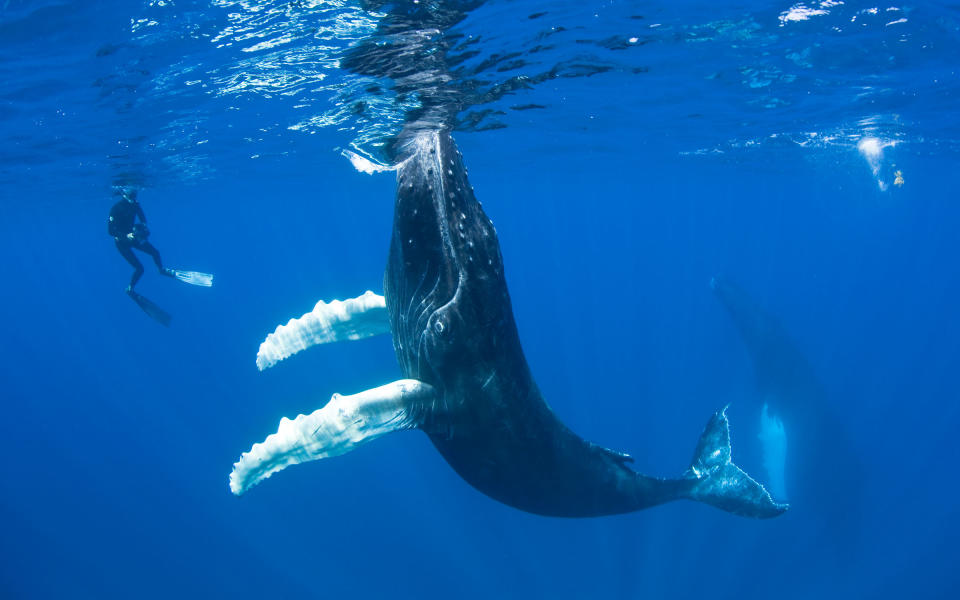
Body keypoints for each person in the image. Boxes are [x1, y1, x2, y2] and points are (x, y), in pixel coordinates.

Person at [108, 188, 171, 293]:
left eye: (134, 196)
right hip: (122, 243)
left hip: (134, 237)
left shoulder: (135, 204)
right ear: (124, 194)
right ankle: (130, 288)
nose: (133, 199)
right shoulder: (115, 208)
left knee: (155, 253)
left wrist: (144, 228)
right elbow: (110, 231)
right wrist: (125, 235)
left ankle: (161, 270)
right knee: (140, 269)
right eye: (131, 196)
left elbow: (142, 217)